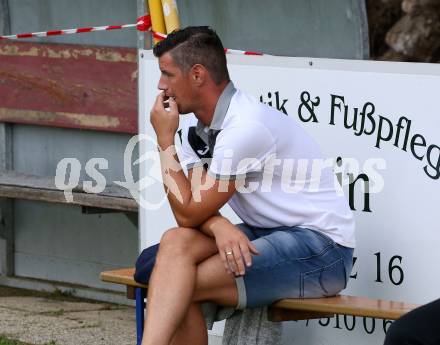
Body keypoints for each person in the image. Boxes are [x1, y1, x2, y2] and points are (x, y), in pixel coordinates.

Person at [143, 26, 355, 345]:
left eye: (167, 74)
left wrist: (163, 140)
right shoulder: (191, 122)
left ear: (197, 74)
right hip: (264, 232)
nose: (161, 85)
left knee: (176, 284)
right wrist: (220, 227)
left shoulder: (246, 127)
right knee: (175, 244)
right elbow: (192, 207)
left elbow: (189, 212)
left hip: (323, 251)